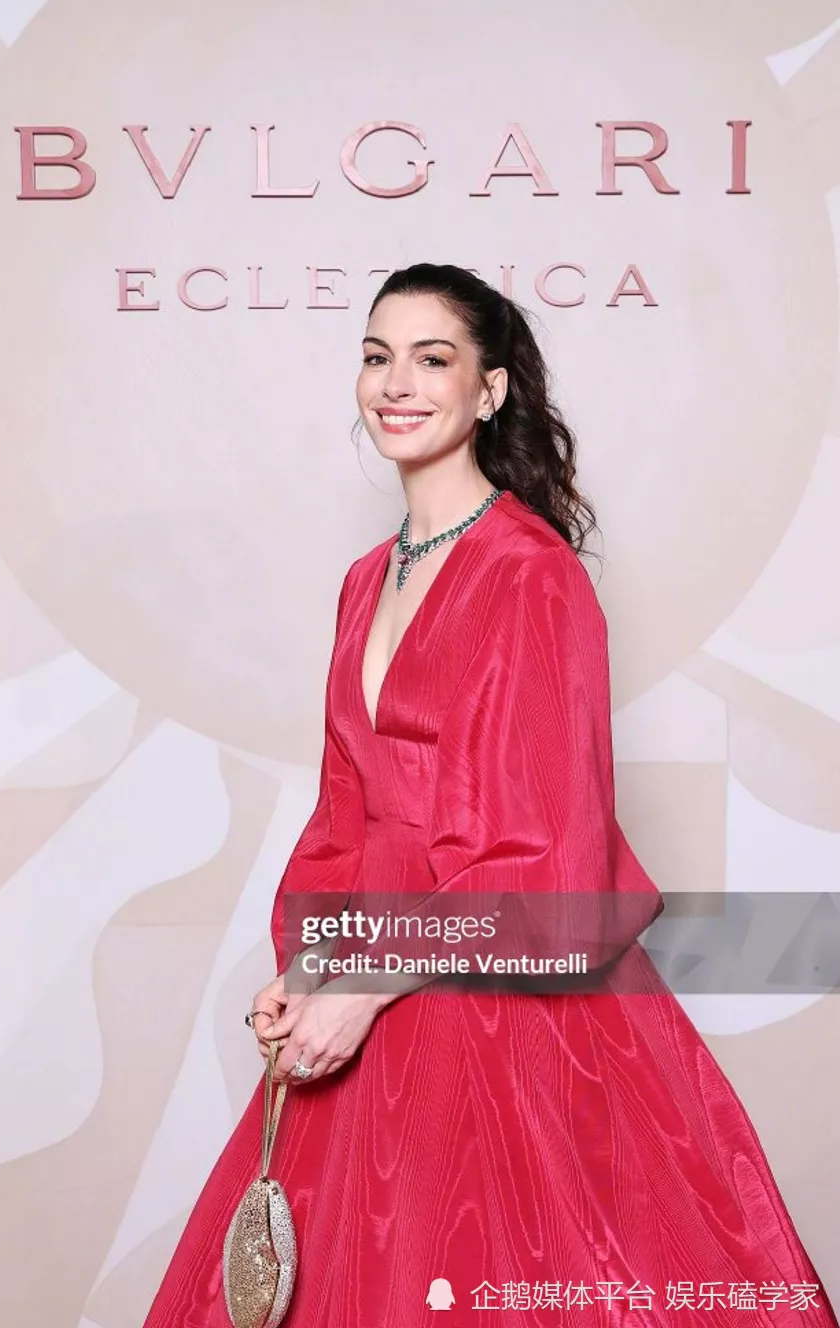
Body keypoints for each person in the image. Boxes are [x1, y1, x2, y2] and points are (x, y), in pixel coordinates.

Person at [143, 265, 837, 1328]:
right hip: (370, 973)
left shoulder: (531, 571)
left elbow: (554, 851)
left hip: (497, 992)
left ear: (491, 389)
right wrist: (310, 966)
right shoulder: (367, 579)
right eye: (377, 357)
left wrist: (365, 983)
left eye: (433, 358)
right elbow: (344, 814)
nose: (396, 383)